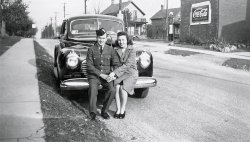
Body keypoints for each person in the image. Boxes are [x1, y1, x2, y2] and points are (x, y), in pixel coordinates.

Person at [86, 28, 117, 120]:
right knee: (93, 88)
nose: (101, 40)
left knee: (112, 90)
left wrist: (112, 74)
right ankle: (92, 112)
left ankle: (104, 111)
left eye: (103, 38)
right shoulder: (91, 49)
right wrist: (100, 74)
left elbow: (114, 64)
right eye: (99, 38)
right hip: (94, 76)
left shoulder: (110, 49)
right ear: (96, 38)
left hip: (107, 76)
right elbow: (89, 66)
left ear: (106, 38)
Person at [108, 32, 138, 119]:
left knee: (123, 88)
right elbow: (115, 63)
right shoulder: (115, 49)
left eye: (123, 40)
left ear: (127, 40)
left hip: (131, 72)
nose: (121, 42)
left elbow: (128, 65)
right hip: (120, 72)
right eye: (119, 40)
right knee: (117, 87)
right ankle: (118, 109)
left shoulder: (132, 50)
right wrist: (113, 73)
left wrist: (115, 73)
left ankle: (123, 109)